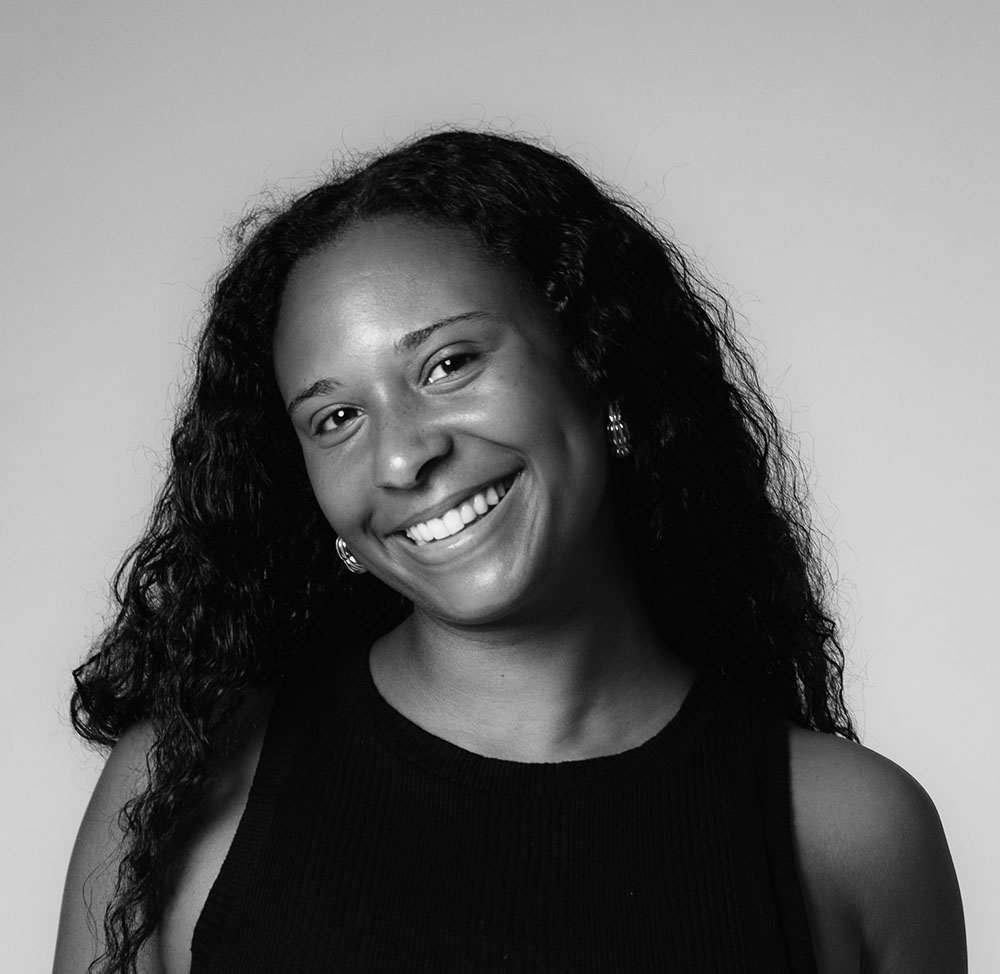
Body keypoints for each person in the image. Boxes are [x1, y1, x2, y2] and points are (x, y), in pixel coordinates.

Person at [55, 130, 966, 974]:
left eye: (449, 364)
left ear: (594, 357)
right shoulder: (187, 786)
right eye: (336, 418)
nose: (405, 455)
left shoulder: (851, 837)